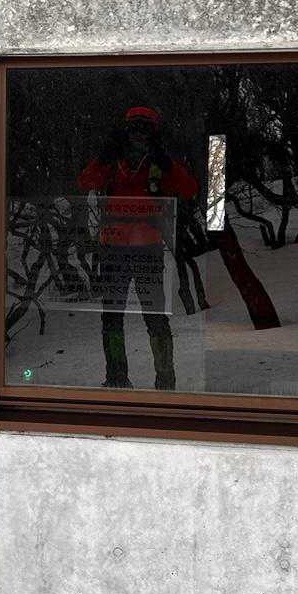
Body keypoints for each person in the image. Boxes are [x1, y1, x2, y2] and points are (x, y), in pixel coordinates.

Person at [76, 106, 197, 389]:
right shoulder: (113, 160)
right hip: (119, 249)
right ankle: (120, 379)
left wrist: (167, 165)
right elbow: (85, 181)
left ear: (153, 131)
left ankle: (162, 381)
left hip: (142, 249)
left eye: (144, 127)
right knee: (115, 318)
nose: (138, 133)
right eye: (134, 126)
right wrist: (103, 158)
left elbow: (189, 188)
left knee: (149, 318)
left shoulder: (158, 161)